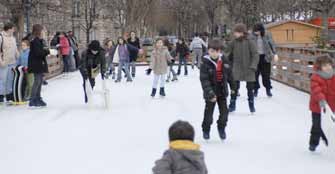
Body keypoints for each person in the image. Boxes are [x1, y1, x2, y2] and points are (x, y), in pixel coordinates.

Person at [225, 23, 259, 113]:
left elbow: (255, 54)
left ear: (241, 32)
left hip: (249, 68)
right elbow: (227, 52)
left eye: (236, 32)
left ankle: (251, 105)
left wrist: (253, 66)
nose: (234, 34)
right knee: (234, 87)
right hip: (237, 67)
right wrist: (225, 62)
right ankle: (232, 105)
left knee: (250, 88)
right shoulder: (234, 42)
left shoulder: (250, 41)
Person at [200, 39, 230, 140]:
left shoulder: (224, 60)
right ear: (208, 51)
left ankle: (221, 128)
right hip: (211, 93)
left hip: (222, 92)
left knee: (224, 114)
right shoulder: (205, 63)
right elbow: (204, 80)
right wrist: (210, 93)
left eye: (217, 51)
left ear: (220, 51)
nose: (214, 53)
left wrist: (234, 88)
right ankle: (206, 129)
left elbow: (230, 75)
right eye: (212, 51)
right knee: (208, 115)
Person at [308, 56, 335, 152]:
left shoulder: (333, 76)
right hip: (318, 108)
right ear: (319, 67)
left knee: (330, 125)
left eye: (329, 65)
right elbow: (316, 90)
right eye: (324, 65)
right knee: (317, 126)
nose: (328, 67)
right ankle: (313, 143)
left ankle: (327, 138)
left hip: (331, 108)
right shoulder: (315, 77)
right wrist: (322, 100)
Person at [251, 23, 278, 97]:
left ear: (261, 30)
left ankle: (268, 90)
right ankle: (255, 90)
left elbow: (272, 44)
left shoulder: (267, 34)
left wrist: (275, 53)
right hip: (255, 58)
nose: (256, 32)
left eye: (257, 31)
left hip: (265, 57)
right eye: (255, 31)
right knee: (255, 76)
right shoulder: (251, 35)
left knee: (266, 75)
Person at [28, 24, 50, 107]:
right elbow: (38, 53)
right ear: (39, 31)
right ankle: (33, 99)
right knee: (37, 82)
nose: (43, 32)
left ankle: (38, 98)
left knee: (40, 81)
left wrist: (46, 50)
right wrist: (48, 52)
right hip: (36, 64)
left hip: (39, 63)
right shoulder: (35, 40)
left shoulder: (39, 40)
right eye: (42, 30)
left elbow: (41, 51)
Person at [0, 22, 19, 103]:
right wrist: (1, 62)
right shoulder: (1, 37)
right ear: (9, 29)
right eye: (13, 28)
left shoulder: (13, 38)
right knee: (2, 80)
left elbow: (15, 49)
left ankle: (9, 96)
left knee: (10, 80)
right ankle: (0, 96)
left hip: (12, 62)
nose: (14, 30)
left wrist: (18, 56)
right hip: (4, 63)